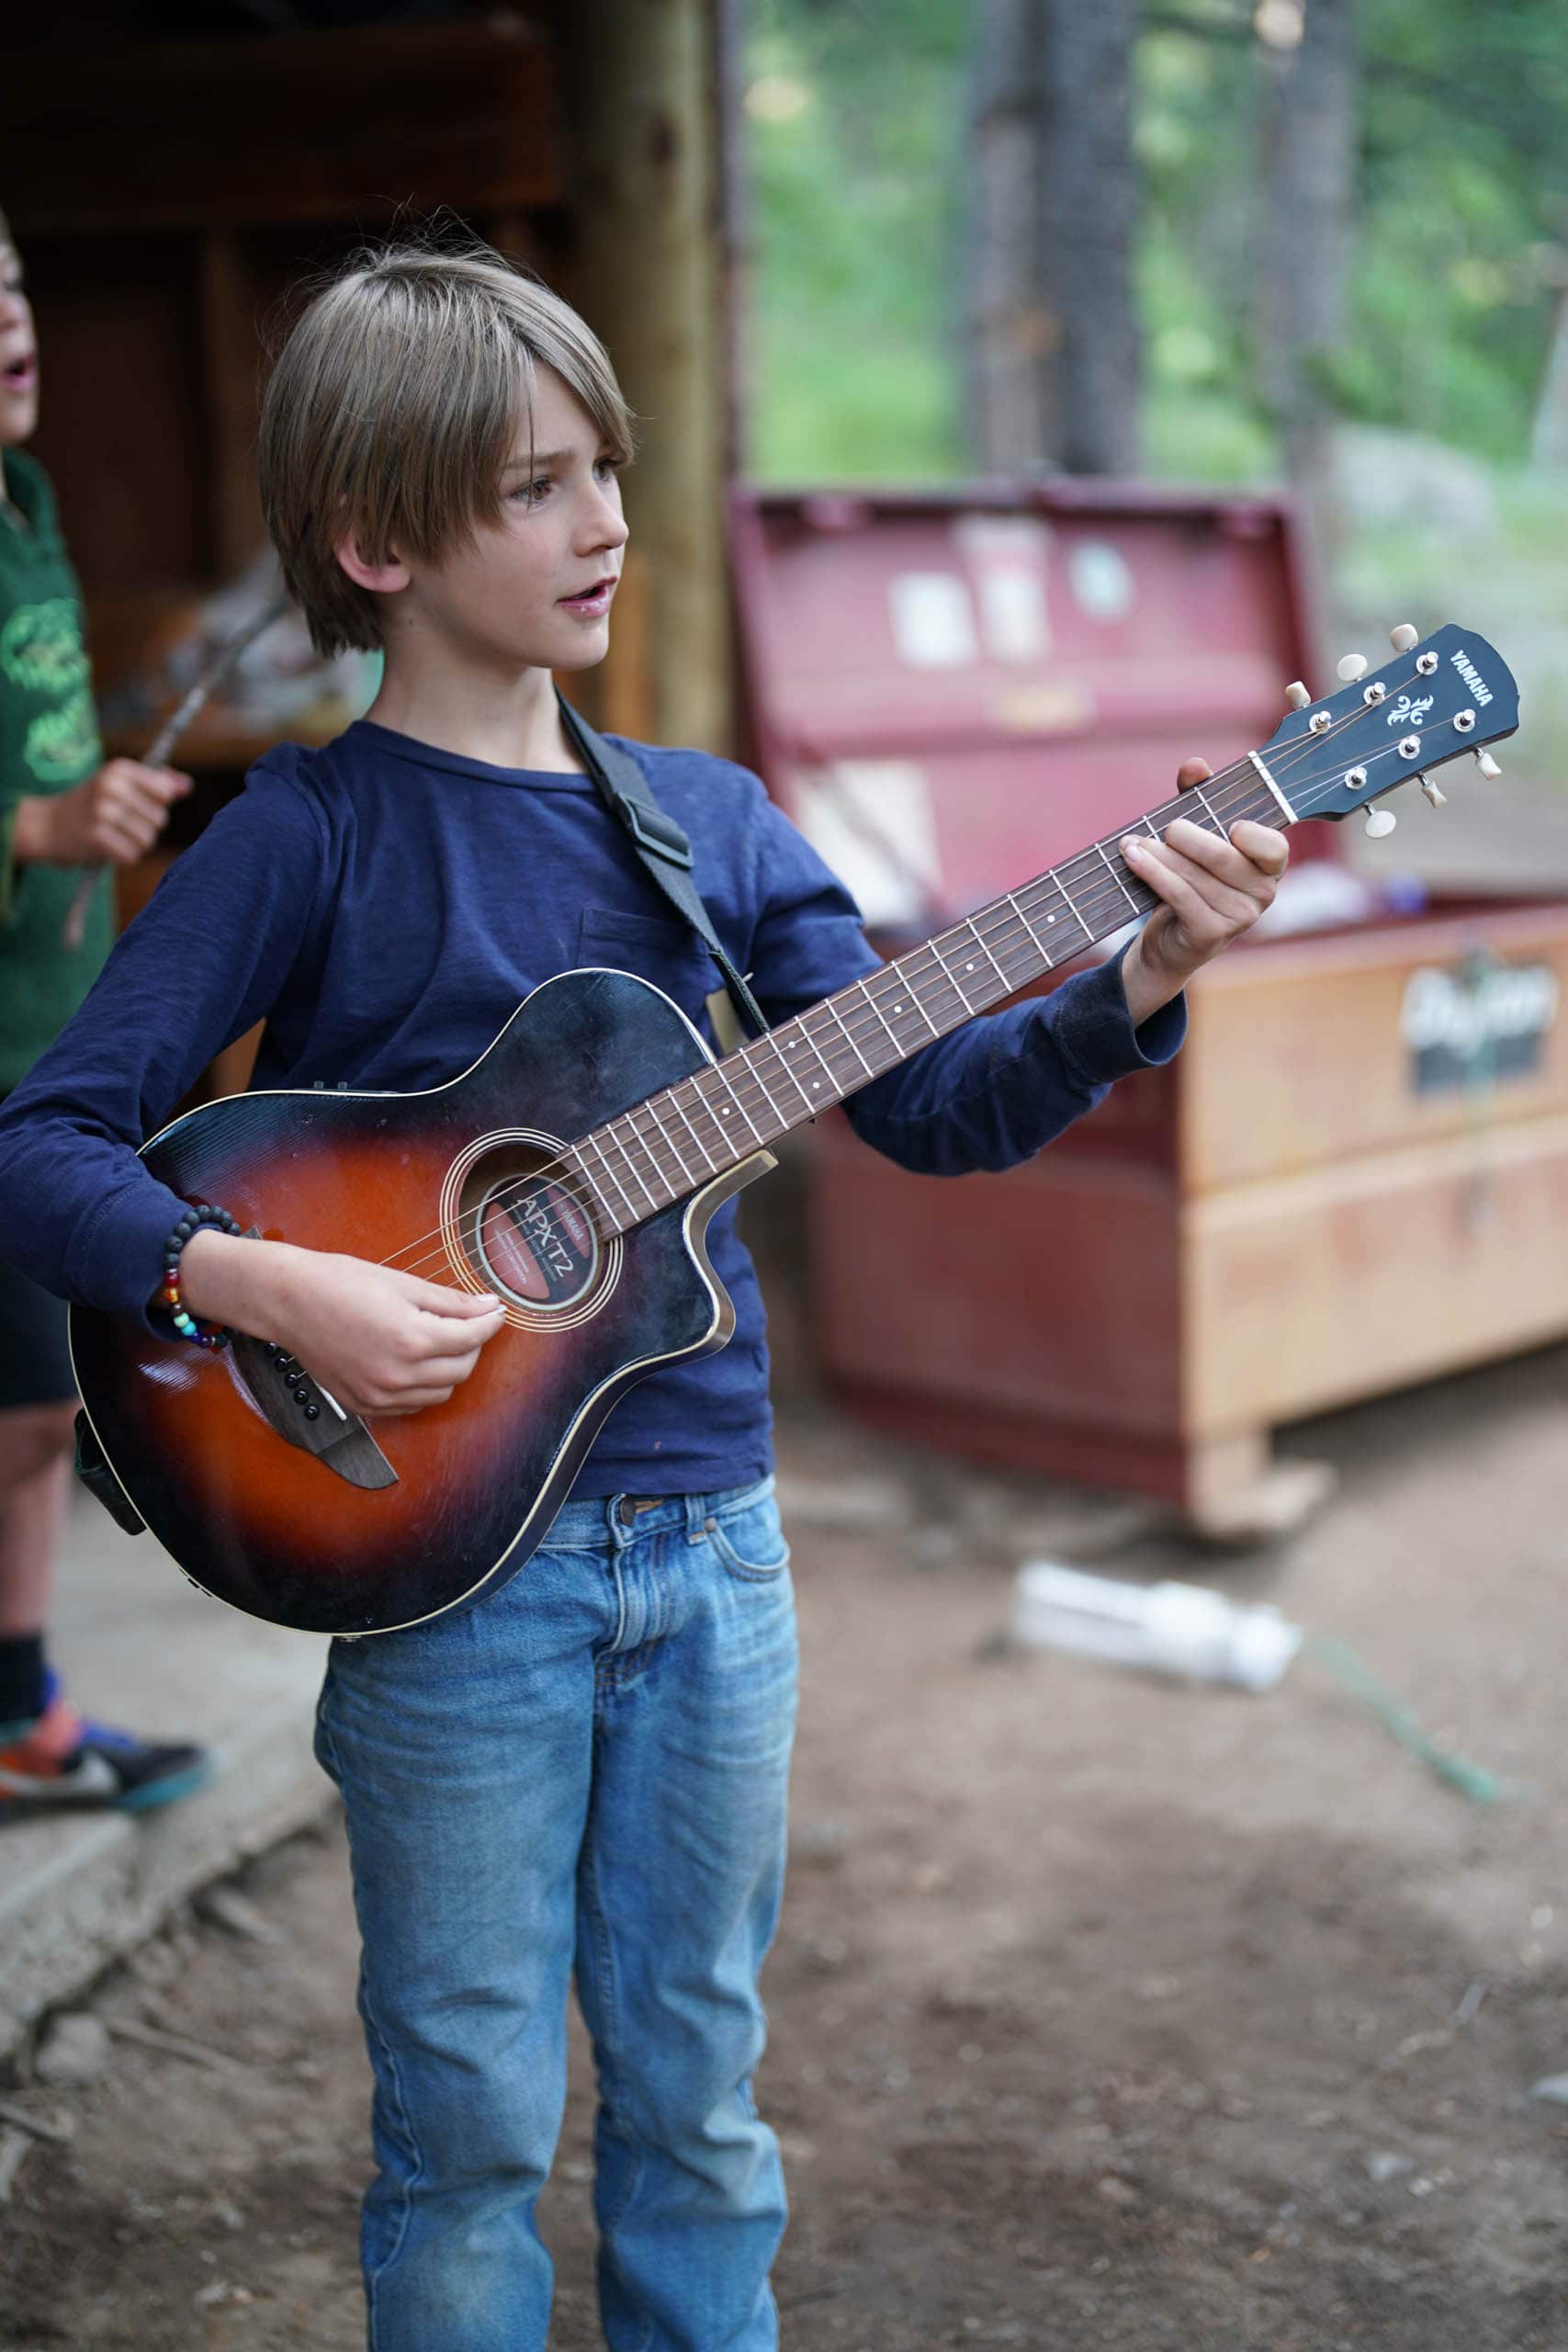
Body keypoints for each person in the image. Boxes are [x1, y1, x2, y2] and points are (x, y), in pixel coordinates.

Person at [0, 239, 1286, 2349]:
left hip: (708, 1543)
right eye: (532, 484)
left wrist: (1139, 969)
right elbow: (38, 1145)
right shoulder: (298, 838)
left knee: (698, 2096)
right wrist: (274, 1288)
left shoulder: (704, 828)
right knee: (469, 2117)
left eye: (605, 466)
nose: (604, 519)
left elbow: (935, 1106)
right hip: (432, 1578)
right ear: (374, 537)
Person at [0, 203, 209, 1820]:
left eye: (10, 282)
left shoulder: (30, 495)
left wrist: (87, 799)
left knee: (38, 1404)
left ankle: (20, 1713)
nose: (10, 320)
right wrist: (38, 827)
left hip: (47, 1036)